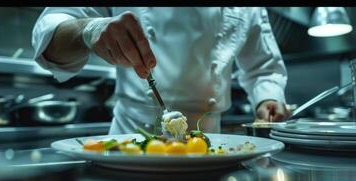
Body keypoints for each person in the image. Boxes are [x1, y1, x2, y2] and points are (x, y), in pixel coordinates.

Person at [32, 7, 291, 135]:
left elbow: (263, 68)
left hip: (214, 151)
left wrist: (268, 98)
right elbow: (49, 32)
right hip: (130, 148)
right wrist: (88, 30)